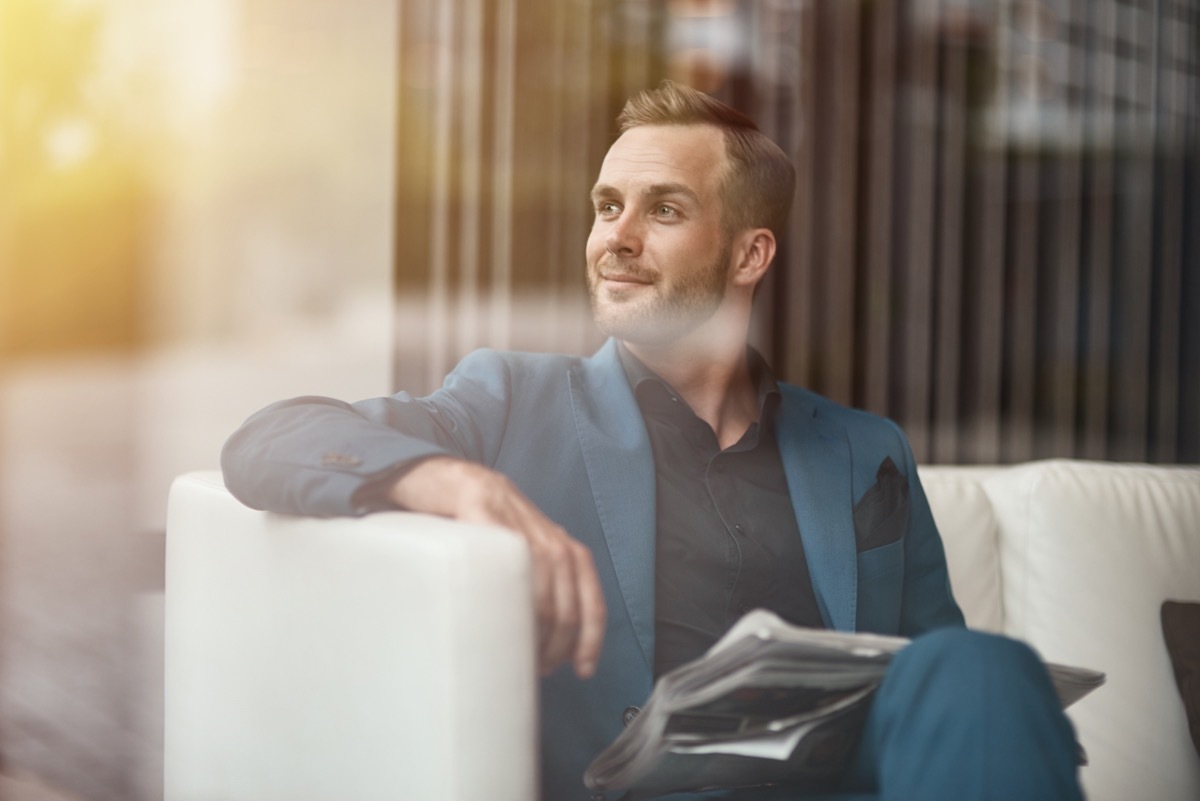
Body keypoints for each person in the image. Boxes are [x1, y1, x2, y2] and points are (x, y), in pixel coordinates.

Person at [222, 81, 1082, 801]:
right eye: (606, 207)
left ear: (750, 254)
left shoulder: (867, 449)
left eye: (663, 208)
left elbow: (937, 687)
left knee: (978, 667)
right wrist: (448, 479)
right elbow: (271, 438)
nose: (616, 239)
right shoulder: (512, 398)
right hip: (636, 784)